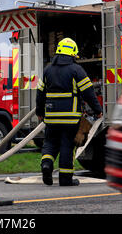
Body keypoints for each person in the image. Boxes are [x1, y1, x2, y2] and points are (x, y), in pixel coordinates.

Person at [36, 37, 102, 186]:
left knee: (50, 143)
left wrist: (40, 112)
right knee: (67, 145)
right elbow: (88, 92)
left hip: (51, 117)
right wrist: (98, 110)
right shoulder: (76, 70)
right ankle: (65, 179)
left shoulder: (47, 70)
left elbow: (40, 93)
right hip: (70, 118)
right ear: (72, 53)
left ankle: (46, 164)